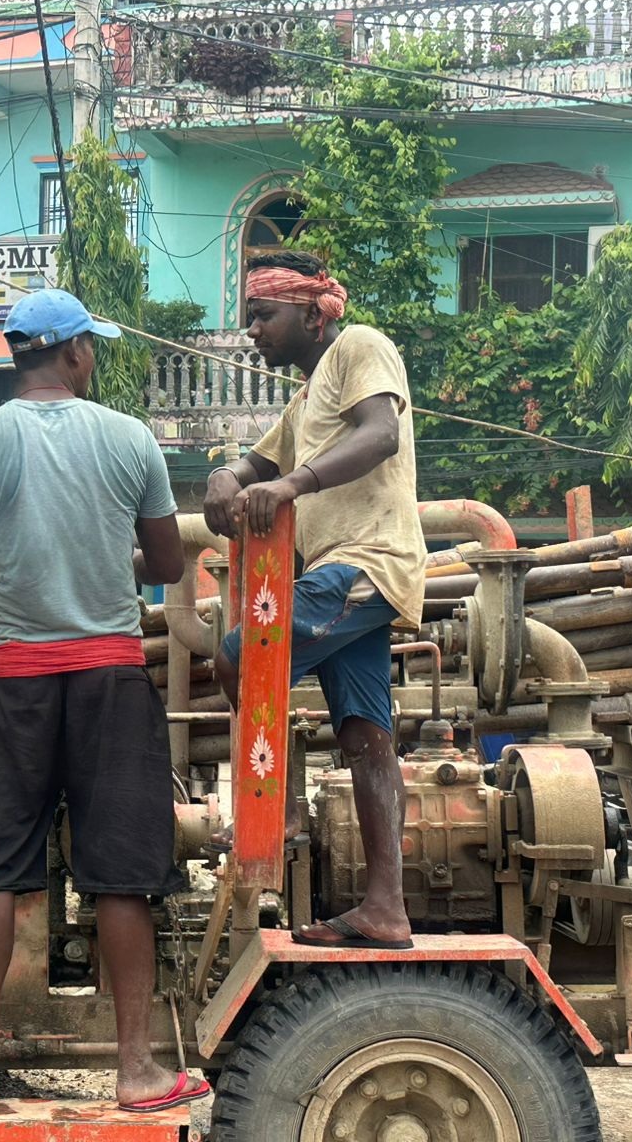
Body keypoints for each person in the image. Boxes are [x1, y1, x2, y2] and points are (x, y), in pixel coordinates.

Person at [0, 288, 207, 1116]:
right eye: (92, 347)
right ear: (74, 352)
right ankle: (137, 1070)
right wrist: (108, 552)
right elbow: (168, 565)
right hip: (111, 679)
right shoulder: (129, 438)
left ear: (18, 357)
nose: (93, 358)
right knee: (120, 877)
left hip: (13, 682)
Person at [205, 252, 427, 949]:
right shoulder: (304, 400)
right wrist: (224, 478)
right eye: (249, 318)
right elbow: (255, 464)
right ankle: (385, 909)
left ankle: (284, 808)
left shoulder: (360, 346)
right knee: (365, 737)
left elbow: (380, 434)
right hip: (345, 569)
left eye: (262, 316)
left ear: (310, 313)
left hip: (367, 562)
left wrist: (292, 486)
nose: (252, 332)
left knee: (240, 656)